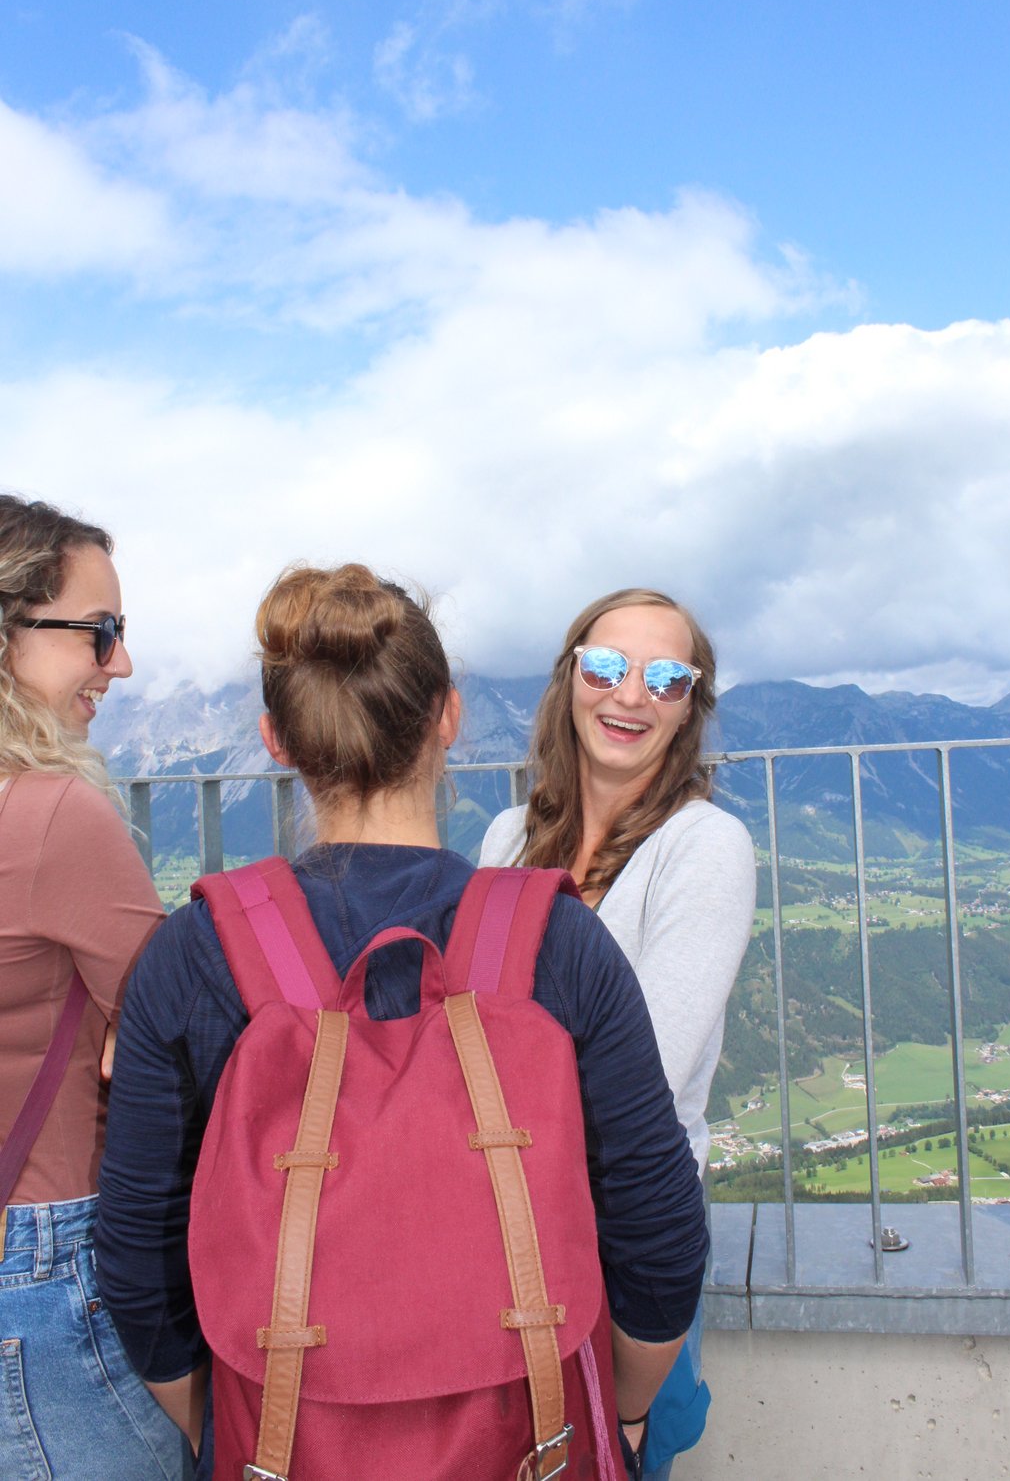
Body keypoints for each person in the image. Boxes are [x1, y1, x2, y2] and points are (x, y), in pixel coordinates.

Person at [95, 563, 708, 1478]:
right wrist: (614, 1413)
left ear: (276, 740)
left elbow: (139, 1254)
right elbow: (658, 1232)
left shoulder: (198, 951)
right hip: (533, 1437)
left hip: (279, 1441)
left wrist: (217, 1423)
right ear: (447, 719)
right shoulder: (555, 940)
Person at [480, 586, 756, 1479]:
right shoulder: (505, 838)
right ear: (569, 680)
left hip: (627, 1231)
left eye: (666, 678)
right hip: (506, 1223)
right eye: (605, 667)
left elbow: (647, 1078)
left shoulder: (704, 847)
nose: (631, 695)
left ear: (689, 708)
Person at [0, 493, 193, 1481]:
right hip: (41, 1261)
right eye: (101, 631)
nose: (120, 665)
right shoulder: (49, 814)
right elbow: (184, 1026)